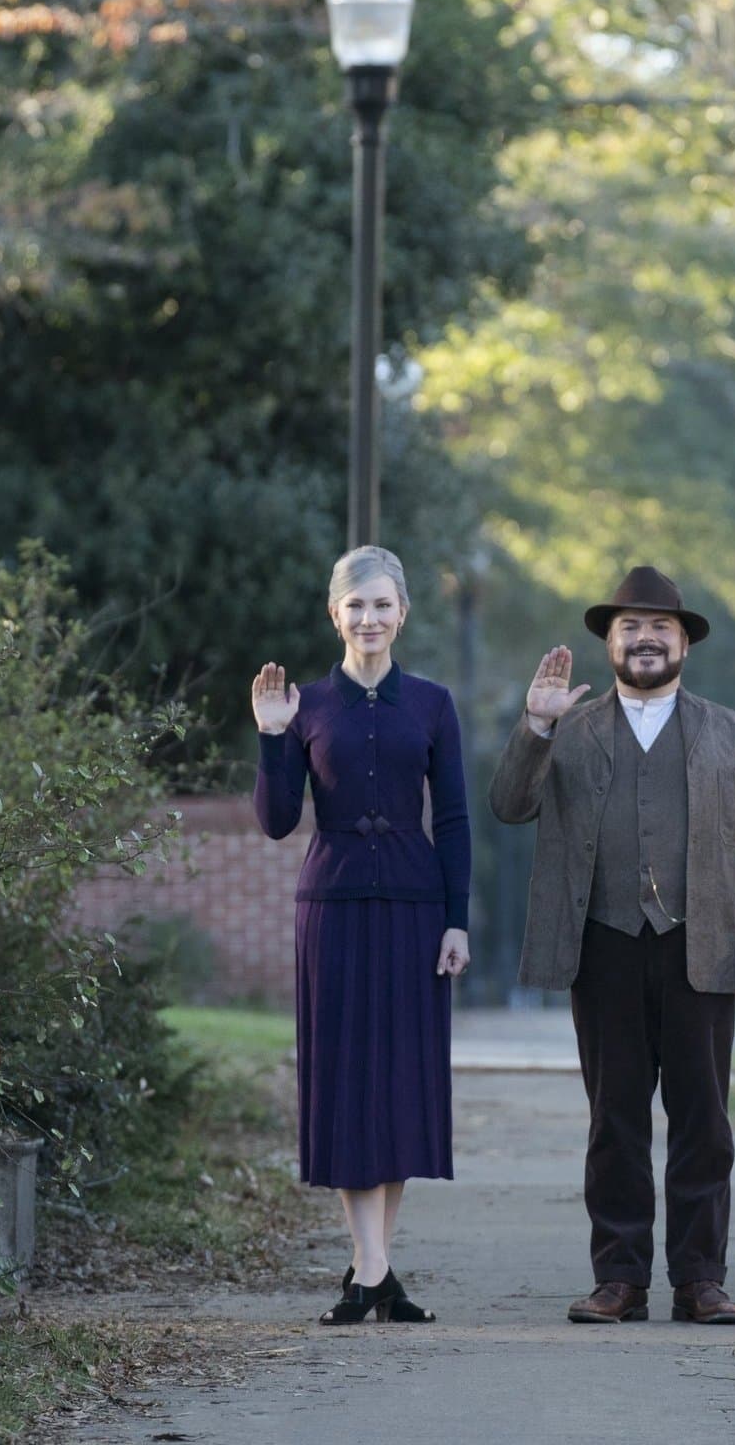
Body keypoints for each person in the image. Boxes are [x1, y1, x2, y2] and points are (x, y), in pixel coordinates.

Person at [489, 565, 735, 1327]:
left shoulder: (734, 735)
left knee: (704, 1118)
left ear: (684, 643)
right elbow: (508, 804)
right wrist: (533, 726)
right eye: (629, 627)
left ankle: (701, 1279)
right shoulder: (568, 727)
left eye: (660, 627)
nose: (645, 639)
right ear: (610, 642)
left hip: (704, 945)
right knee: (615, 1118)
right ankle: (620, 1279)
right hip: (603, 947)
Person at [251, 546, 472, 1327]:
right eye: (356, 607)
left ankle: (368, 1271)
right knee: (348, 1083)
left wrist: (456, 920)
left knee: (401, 1084)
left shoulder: (434, 705)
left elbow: (452, 819)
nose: (370, 620)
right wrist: (273, 740)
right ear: (334, 615)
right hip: (334, 907)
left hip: (415, 909)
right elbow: (278, 822)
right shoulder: (304, 705)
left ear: (402, 613)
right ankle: (373, 1268)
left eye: (383, 606)